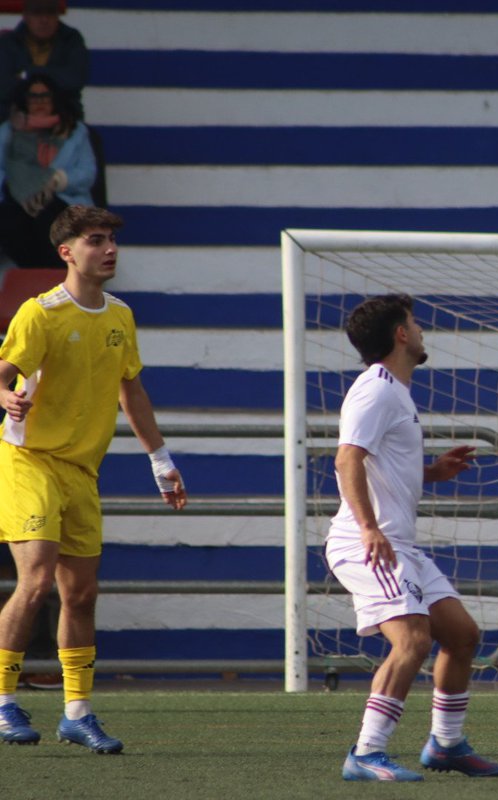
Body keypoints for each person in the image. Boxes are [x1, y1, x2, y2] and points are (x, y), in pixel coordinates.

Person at [0, 204, 186, 753]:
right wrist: (4, 396)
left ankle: (77, 713)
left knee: (80, 595)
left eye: (111, 241)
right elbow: (4, 371)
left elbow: (133, 392)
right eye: (95, 240)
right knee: (35, 581)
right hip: (28, 461)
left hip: (83, 470)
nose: (109, 250)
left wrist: (161, 461)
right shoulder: (41, 313)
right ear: (67, 252)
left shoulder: (120, 316)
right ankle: (4, 703)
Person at [328, 293, 498, 782]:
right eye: (414, 322)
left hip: (399, 545)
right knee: (411, 640)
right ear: (401, 335)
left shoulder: (396, 391)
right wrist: (368, 528)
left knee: (463, 636)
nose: (421, 329)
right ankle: (366, 753)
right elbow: (347, 460)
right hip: (367, 543)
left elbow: (384, 466)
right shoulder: (376, 390)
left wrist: (432, 471)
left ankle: (445, 745)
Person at [0, 74, 95, 267]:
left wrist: (59, 180)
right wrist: (18, 184)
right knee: (10, 221)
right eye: (33, 97)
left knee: (50, 219)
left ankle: (54, 277)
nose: (40, 102)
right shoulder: (8, 131)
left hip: (64, 200)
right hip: (15, 201)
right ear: (24, 101)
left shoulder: (75, 132)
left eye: (45, 96)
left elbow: (87, 172)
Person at [0, 0, 88, 125]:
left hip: (64, 122)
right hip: (14, 122)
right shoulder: (7, 43)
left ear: (58, 15)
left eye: (50, 13)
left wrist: (28, 73)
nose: (44, 20)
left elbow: (75, 81)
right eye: (37, 13)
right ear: (25, 16)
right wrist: (54, 76)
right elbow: (4, 89)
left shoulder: (72, 40)